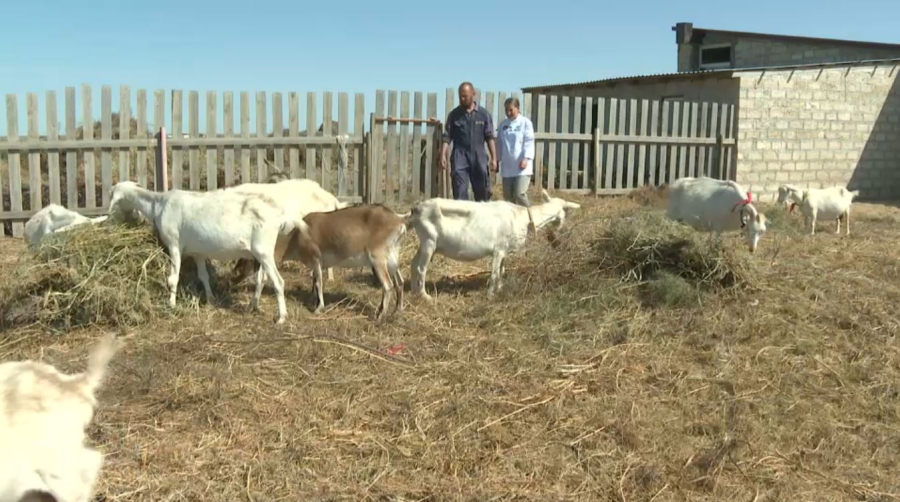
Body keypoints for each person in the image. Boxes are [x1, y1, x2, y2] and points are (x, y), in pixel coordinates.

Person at [440, 82, 497, 201]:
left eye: (465, 96)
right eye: (460, 96)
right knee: (460, 191)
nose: (462, 98)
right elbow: (447, 137)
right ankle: (462, 218)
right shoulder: (454, 115)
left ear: (473, 94)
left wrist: (494, 158)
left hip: (479, 156)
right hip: (460, 156)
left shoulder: (483, 114)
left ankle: (482, 218)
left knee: (482, 193)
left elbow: (490, 137)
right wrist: (442, 156)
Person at [495, 97, 535, 208]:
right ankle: (514, 222)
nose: (508, 112)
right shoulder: (503, 125)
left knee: (519, 194)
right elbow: (499, 144)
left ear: (517, 108)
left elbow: (529, 140)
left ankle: (531, 216)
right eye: (506, 110)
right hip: (508, 166)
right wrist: (497, 160)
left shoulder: (525, 123)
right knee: (508, 198)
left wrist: (526, 158)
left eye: (511, 110)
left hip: (522, 166)